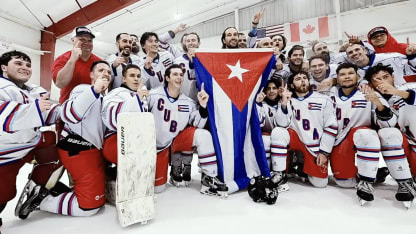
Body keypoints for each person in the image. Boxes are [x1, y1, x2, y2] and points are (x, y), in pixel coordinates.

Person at [22, 61, 111, 218]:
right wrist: (95, 90)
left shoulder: (105, 98)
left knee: (97, 197)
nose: (106, 73)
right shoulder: (82, 89)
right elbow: (70, 115)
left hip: (91, 151)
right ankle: (41, 200)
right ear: (91, 75)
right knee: (89, 207)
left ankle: (50, 189)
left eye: (109, 72)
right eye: (101, 70)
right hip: (78, 148)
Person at [329, 63, 414, 205]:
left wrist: (377, 103)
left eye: (350, 73)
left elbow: (388, 123)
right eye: (342, 74)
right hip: (343, 140)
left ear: (358, 76)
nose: (347, 77)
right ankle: (374, 174)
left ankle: (401, 181)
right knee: (344, 181)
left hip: (369, 137)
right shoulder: (330, 92)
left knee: (386, 133)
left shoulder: (369, 92)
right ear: (337, 79)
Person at [147, 64, 228, 196]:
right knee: (157, 189)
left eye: (181, 75)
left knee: (203, 135)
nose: (179, 77)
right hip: (153, 145)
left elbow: (198, 124)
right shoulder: (153, 95)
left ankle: (209, 177)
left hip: (175, 142)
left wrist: (202, 106)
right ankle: (173, 171)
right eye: (175, 74)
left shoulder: (188, 102)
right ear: (167, 78)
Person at [0, 51, 63, 221]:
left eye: (28, 65)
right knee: (4, 194)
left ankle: (35, 187)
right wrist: (34, 109)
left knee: (56, 145)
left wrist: (70, 110)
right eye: (18, 63)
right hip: (5, 154)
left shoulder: (30, 91)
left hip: (26, 144)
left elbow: (45, 114)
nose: (25, 68)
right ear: (3, 67)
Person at [270, 71, 338, 188]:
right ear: (291, 85)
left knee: (320, 183)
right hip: (295, 137)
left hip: (314, 144)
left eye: (305, 78)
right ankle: (279, 173)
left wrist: (324, 152)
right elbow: (282, 124)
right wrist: (284, 103)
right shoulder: (289, 100)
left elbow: (331, 127)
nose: (302, 80)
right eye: (298, 78)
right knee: (278, 132)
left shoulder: (324, 99)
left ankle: (302, 167)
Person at [365, 64, 416, 203]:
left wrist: (396, 92)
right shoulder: (374, 99)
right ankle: (404, 183)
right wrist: (378, 103)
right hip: (405, 143)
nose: (382, 81)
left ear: (393, 77)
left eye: (386, 77)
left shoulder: (409, 87)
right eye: (377, 79)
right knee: (387, 133)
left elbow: (412, 97)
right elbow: (388, 124)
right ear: (371, 84)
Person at [102, 64, 148, 166]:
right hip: (116, 139)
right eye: (132, 75)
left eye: (138, 76)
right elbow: (110, 118)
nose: (136, 79)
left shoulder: (141, 95)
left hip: (135, 140)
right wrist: (137, 100)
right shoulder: (116, 93)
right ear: (124, 79)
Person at [255, 79, 292, 191]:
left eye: (274, 88)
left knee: (277, 132)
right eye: (268, 88)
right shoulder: (263, 103)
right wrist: (258, 104)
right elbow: (259, 124)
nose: (271, 91)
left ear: (279, 90)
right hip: (268, 136)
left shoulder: (286, 101)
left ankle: (280, 175)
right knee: (265, 139)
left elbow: (283, 124)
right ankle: (266, 174)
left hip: (284, 135)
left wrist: (284, 104)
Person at [52, 26, 101, 103]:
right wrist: (72, 60)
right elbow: (60, 84)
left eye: (90, 40)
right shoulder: (62, 59)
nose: (87, 43)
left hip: (92, 106)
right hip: (68, 107)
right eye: (82, 39)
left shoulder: (99, 62)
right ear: (73, 40)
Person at [345, 42, 416, 85]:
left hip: (401, 99)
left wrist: (412, 56)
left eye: (357, 49)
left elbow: (412, 70)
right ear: (348, 58)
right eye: (350, 52)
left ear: (365, 51)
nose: (354, 53)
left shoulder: (392, 58)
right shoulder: (352, 72)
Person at [174, 32, 200, 102]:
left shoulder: (207, 59)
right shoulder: (177, 61)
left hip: (203, 101)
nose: (190, 43)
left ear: (199, 43)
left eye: (193, 40)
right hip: (184, 100)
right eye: (188, 41)